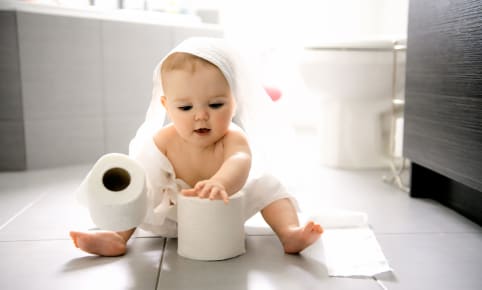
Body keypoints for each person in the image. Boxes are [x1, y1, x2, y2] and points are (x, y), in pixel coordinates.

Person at [70, 37, 323, 257]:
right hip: (171, 209)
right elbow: (145, 178)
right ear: (166, 106)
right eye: (185, 108)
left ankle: (289, 233)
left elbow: (239, 161)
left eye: (215, 105)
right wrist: (146, 191)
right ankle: (116, 235)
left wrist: (221, 182)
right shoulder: (163, 140)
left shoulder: (233, 138)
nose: (201, 116)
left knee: (270, 187)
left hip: (222, 204)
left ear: (234, 103)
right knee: (140, 193)